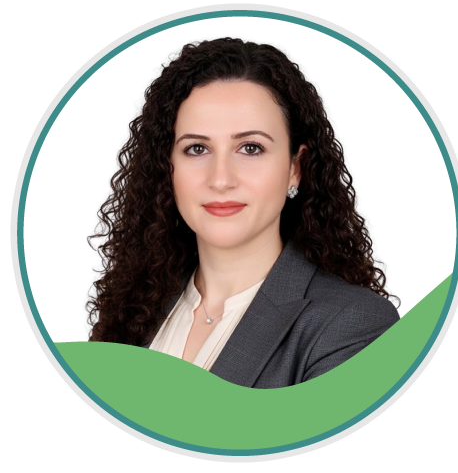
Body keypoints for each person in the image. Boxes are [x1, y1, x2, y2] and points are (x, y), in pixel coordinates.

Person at [87, 37, 400, 389]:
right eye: (197, 148)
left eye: (250, 148)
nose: (221, 179)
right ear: (167, 167)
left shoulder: (353, 325)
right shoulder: (134, 310)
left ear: (295, 168)